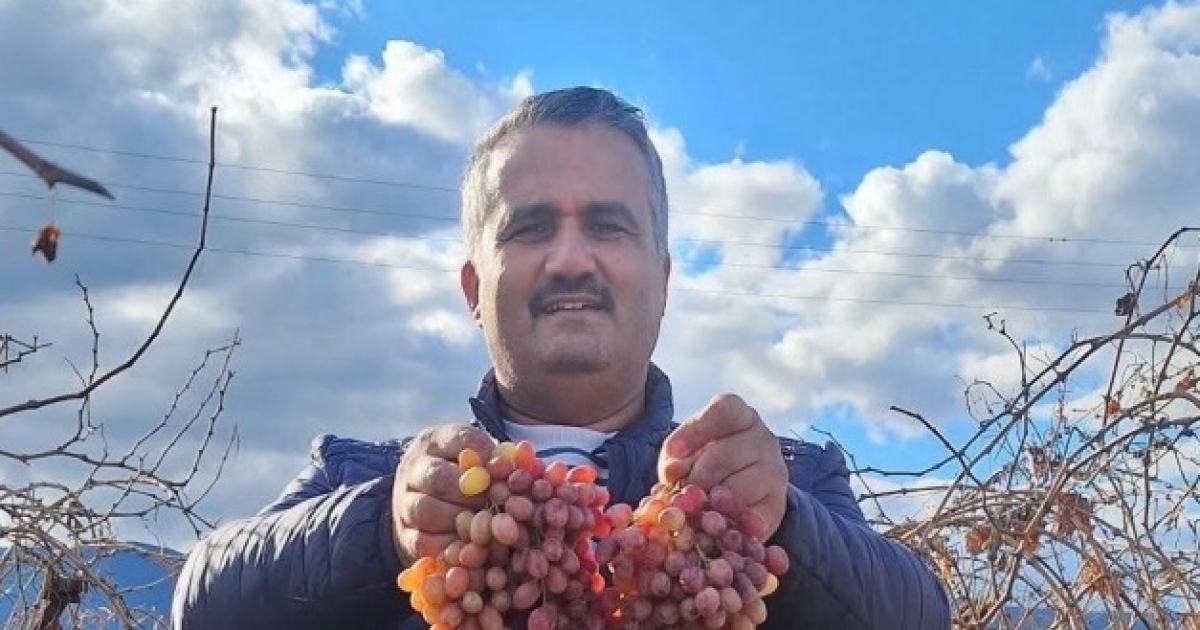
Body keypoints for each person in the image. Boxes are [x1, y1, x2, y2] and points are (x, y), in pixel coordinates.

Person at [170, 86, 952, 629]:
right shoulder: (360, 478)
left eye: (608, 226)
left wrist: (784, 527)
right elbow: (201, 605)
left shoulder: (785, 482)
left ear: (664, 280)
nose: (571, 259)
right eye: (531, 228)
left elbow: (920, 615)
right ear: (474, 288)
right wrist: (384, 527)